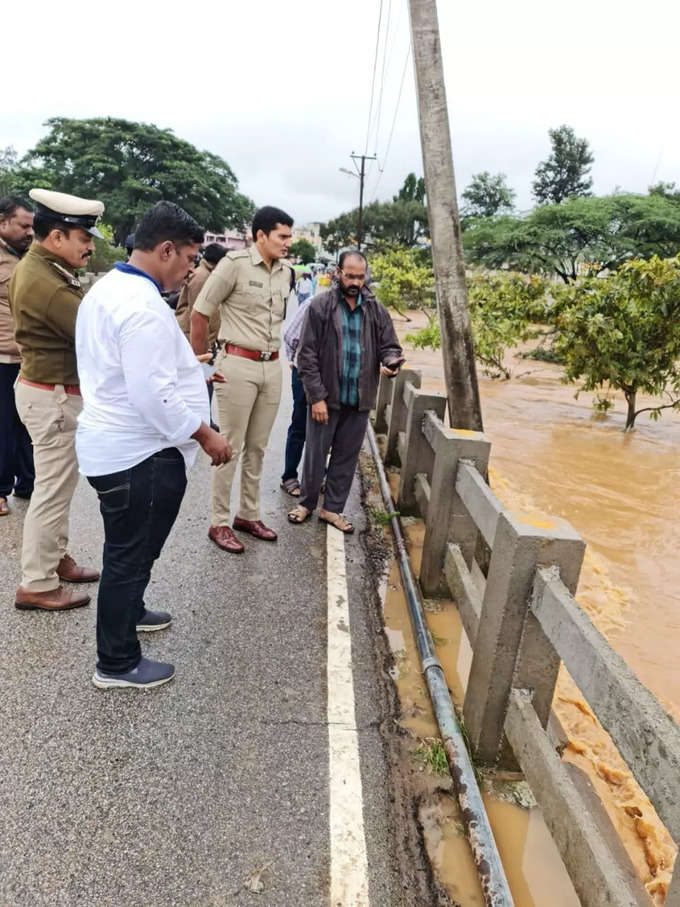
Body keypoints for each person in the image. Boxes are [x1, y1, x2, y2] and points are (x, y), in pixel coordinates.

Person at [76, 201, 231, 690]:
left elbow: (140, 372)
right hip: (137, 456)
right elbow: (152, 396)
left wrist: (196, 371)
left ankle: (133, 611)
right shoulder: (142, 307)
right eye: (188, 259)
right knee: (128, 553)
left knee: (133, 549)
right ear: (166, 249)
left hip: (119, 447)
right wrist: (206, 434)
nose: (190, 271)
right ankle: (117, 663)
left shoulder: (111, 289)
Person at [9, 188, 104, 612]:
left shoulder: (42, 267)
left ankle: (54, 559)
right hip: (53, 398)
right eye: (83, 238)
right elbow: (94, 337)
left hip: (48, 392)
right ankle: (38, 583)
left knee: (58, 488)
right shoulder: (46, 283)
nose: (89, 246)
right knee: (50, 491)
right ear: (57, 237)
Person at [190, 205, 294, 553]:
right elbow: (200, 313)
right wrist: (199, 365)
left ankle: (248, 514)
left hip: (272, 366)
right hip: (237, 364)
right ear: (260, 235)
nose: (288, 243)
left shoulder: (287, 273)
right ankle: (219, 521)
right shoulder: (232, 266)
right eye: (282, 236)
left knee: (258, 447)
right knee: (229, 446)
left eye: (290, 236)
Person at [288, 250, 404, 533]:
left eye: (360, 276)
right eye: (350, 275)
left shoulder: (375, 309)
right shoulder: (321, 305)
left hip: (359, 397)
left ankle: (332, 510)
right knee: (316, 453)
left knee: (346, 457)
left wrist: (391, 361)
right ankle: (306, 503)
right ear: (338, 272)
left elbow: (390, 345)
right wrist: (316, 397)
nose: (355, 281)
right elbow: (307, 355)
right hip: (327, 397)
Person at [0, 196, 35, 516]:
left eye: (32, 227)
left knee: (27, 423)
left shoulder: (30, 258)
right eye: (23, 225)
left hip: (28, 358)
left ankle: (27, 484)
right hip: (2, 358)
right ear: (3, 223)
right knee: (3, 425)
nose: (29, 232)